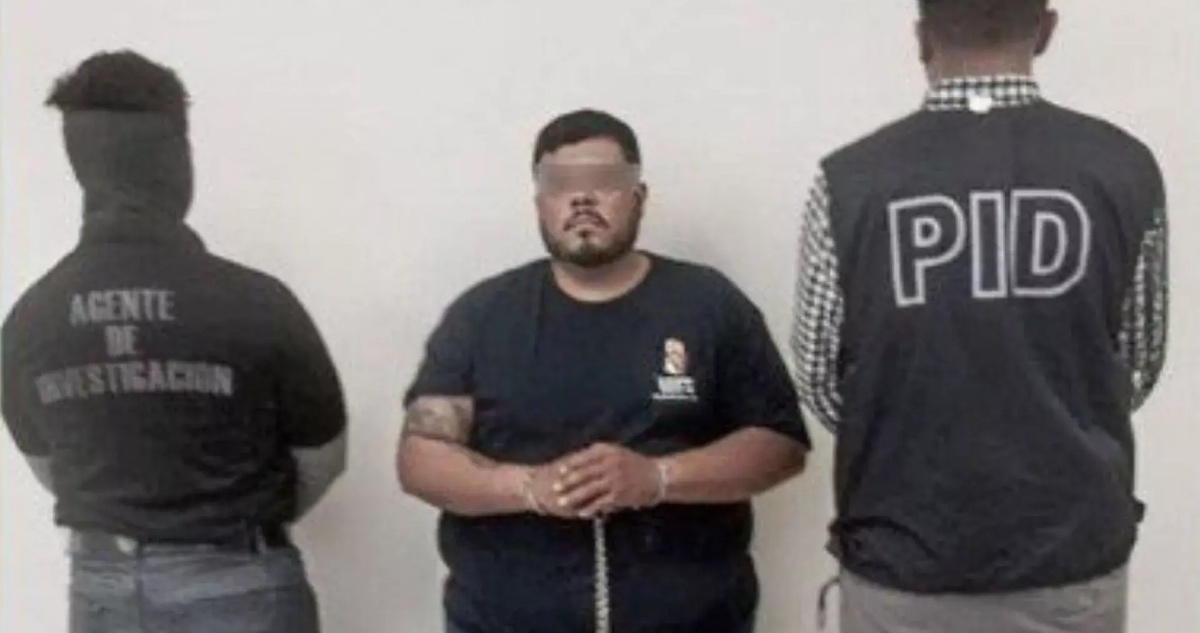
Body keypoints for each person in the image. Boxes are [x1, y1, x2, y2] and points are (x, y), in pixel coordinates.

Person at [790, 2, 1168, 632]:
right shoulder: (1124, 166)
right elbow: (1136, 362)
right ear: (1046, 30)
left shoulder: (849, 180)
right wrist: (1054, 419)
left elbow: (822, 376)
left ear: (921, 39)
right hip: (1070, 556)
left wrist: (911, 430)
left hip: (903, 557)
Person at [398, 108, 811, 633]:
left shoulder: (709, 305)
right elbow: (421, 458)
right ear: (539, 203)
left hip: (695, 620)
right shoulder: (482, 315)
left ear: (639, 197)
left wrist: (657, 478)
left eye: (604, 181)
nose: (582, 199)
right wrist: (529, 487)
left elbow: (780, 446)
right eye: (560, 184)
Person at [1, 50, 348, 633]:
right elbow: (323, 458)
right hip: (239, 579)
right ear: (178, 158)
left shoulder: (30, 319)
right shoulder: (257, 302)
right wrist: (229, 525)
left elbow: (50, 466)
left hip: (103, 589)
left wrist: (136, 524)